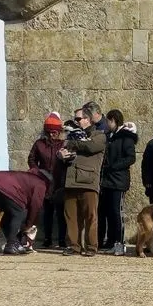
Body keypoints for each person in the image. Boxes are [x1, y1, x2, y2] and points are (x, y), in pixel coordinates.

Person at [60, 106, 106, 257]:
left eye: (79, 118)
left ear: (88, 119)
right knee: (71, 217)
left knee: (90, 217)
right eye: (75, 119)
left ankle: (91, 247)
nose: (76, 122)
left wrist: (71, 144)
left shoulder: (99, 135)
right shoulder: (70, 136)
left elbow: (91, 147)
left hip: (88, 181)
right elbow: (64, 151)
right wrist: (61, 155)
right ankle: (74, 246)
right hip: (71, 181)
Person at [0, 168, 52, 254]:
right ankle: (11, 244)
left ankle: (13, 242)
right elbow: (36, 206)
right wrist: (29, 224)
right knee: (18, 212)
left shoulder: (27, 177)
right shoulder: (41, 184)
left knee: (7, 213)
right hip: (4, 186)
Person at [98, 109, 137, 256]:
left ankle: (120, 243)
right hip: (107, 181)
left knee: (117, 212)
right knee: (108, 212)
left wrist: (114, 165)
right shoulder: (109, 137)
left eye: (108, 121)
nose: (107, 124)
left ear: (114, 120)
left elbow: (130, 158)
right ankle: (111, 241)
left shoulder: (126, 138)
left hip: (118, 181)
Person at [27, 112, 67, 249]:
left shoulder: (63, 144)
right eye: (49, 132)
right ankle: (47, 238)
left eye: (54, 132)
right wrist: (36, 171)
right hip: (43, 181)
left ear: (59, 131)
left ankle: (62, 239)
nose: (52, 135)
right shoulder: (39, 144)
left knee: (61, 212)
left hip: (60, 181)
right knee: (47, 212)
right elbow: (31, 159)